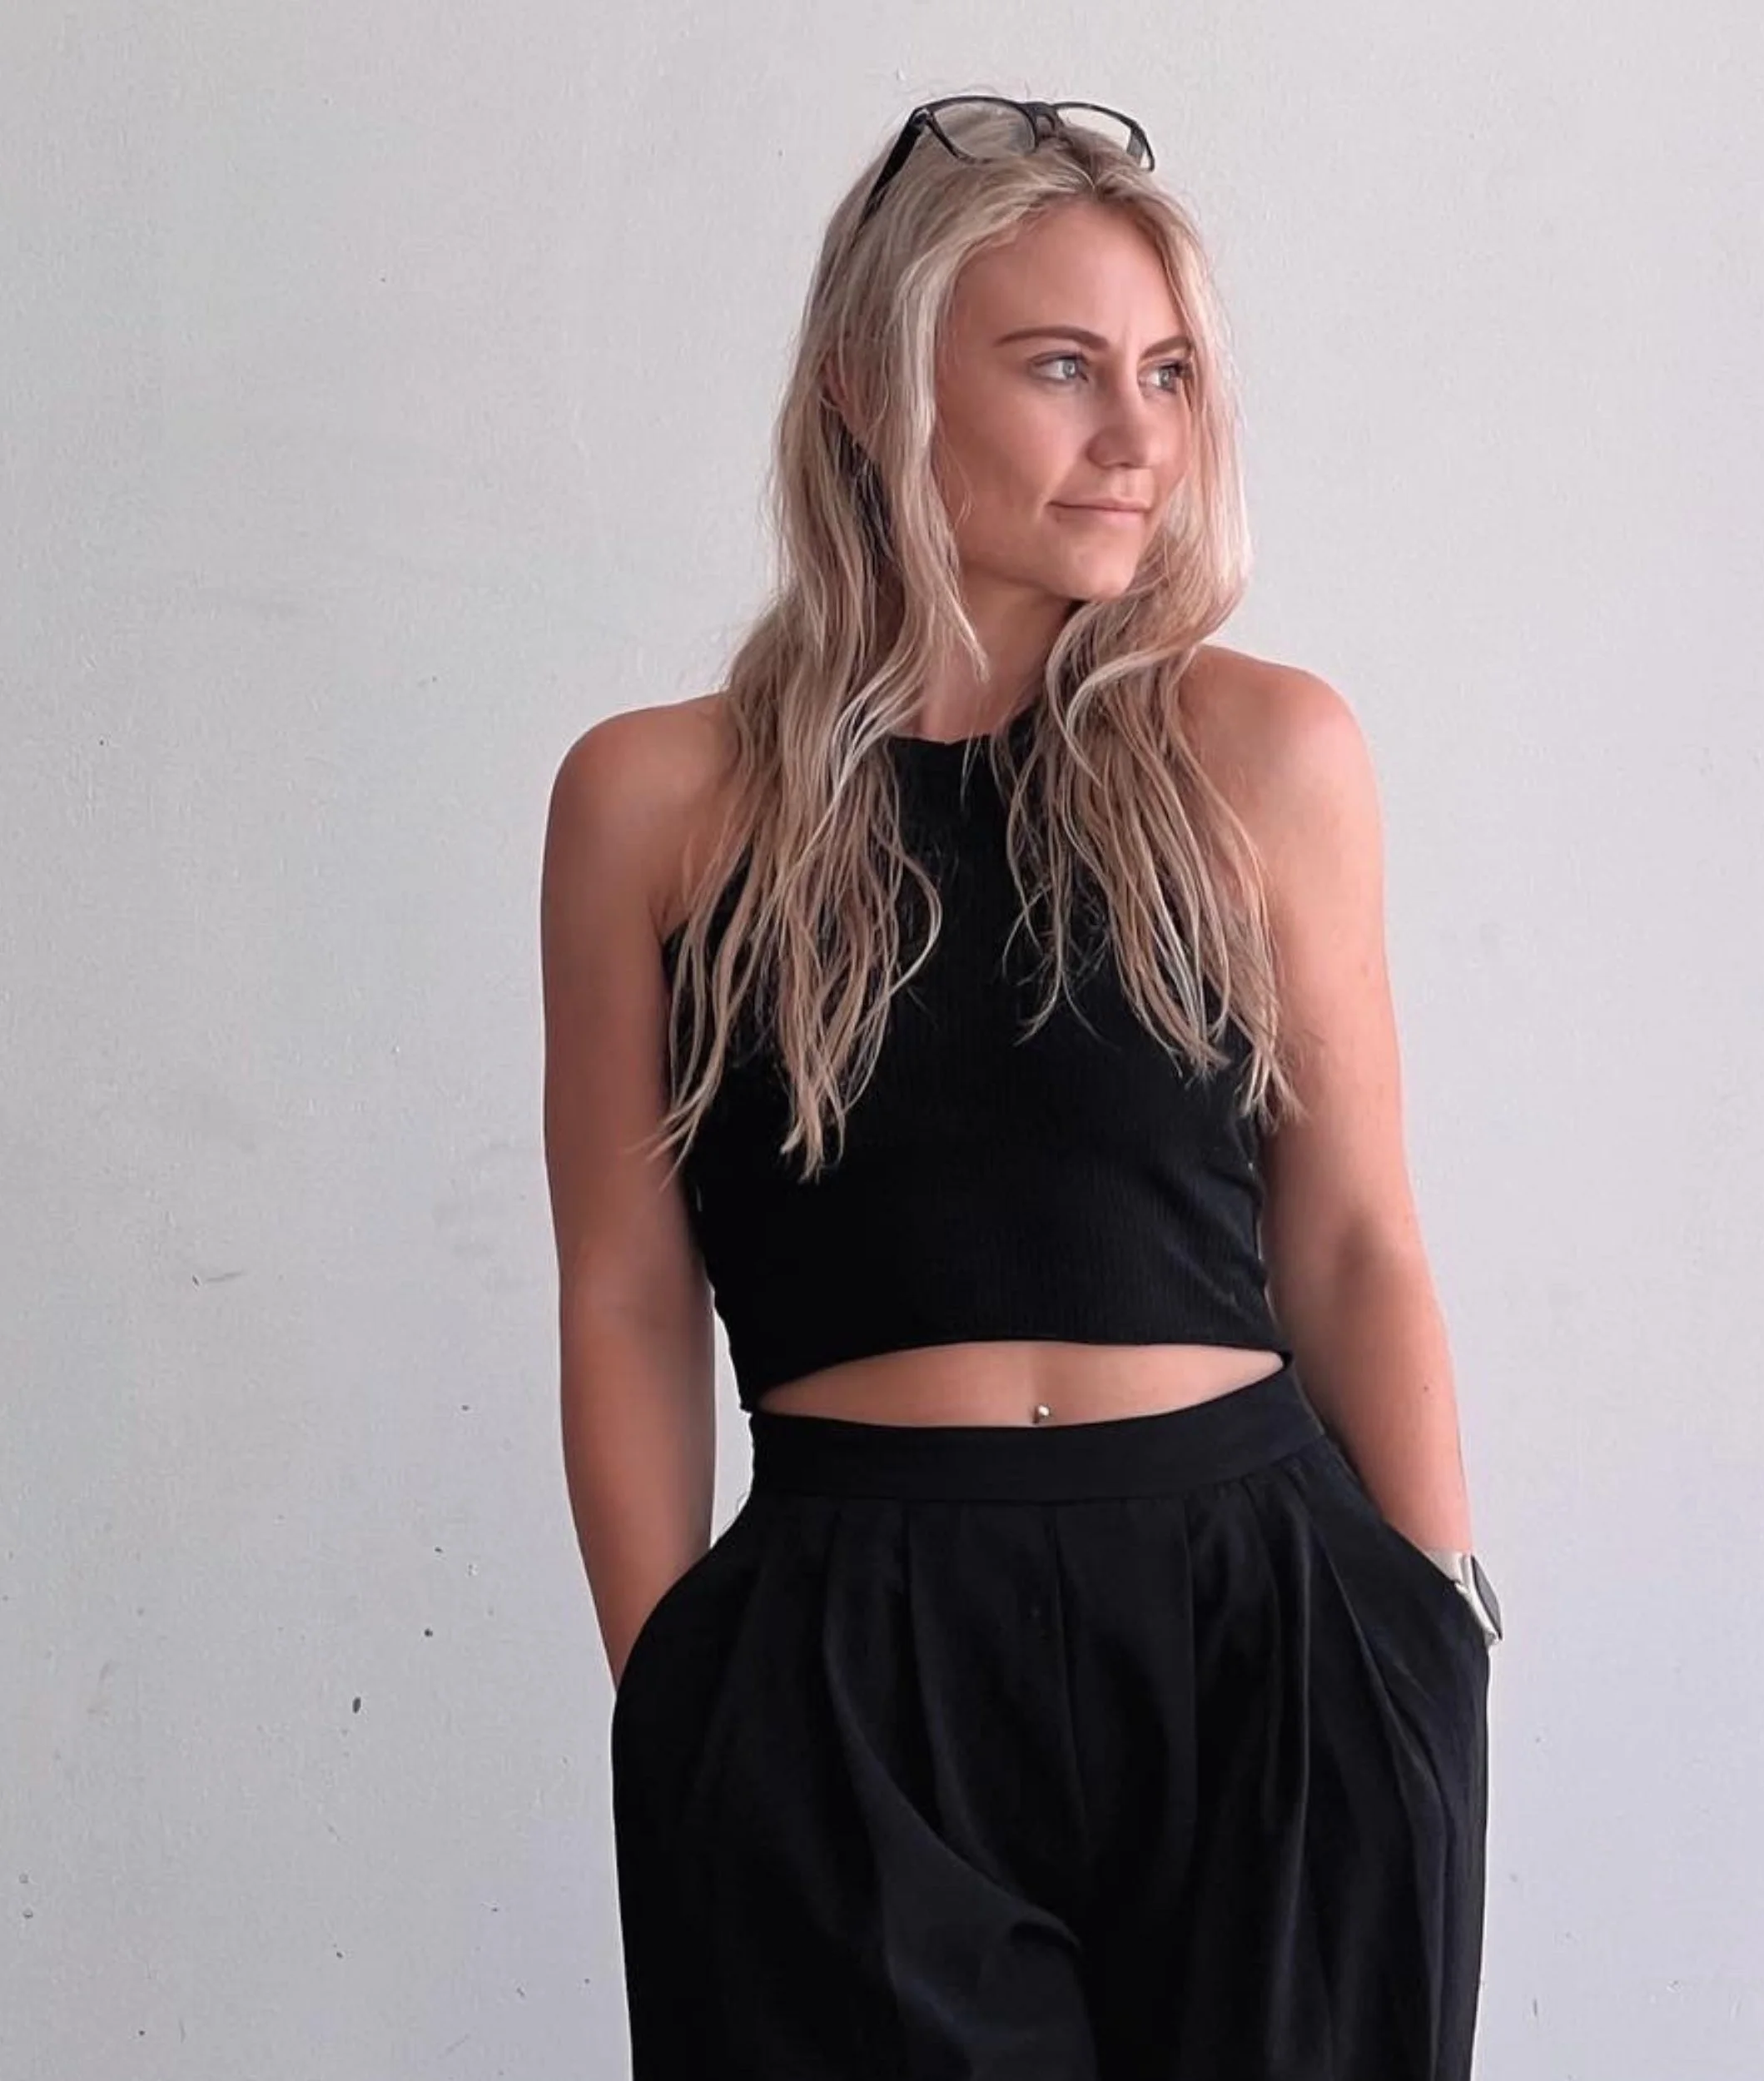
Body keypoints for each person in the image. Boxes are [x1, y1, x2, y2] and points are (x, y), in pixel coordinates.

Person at [540, 92, 1501, 2081]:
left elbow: (1350, 1237)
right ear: (865, 384)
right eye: (1060, 365)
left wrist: (1435, 1629)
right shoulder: (654, 797)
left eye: (1167, 372)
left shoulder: (1262, 753)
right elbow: (626, 1286)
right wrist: (677, 1689)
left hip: (1265, 1617)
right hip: (848, 1639)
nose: (1136, 434)